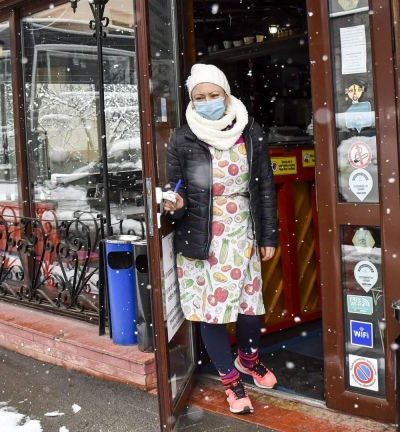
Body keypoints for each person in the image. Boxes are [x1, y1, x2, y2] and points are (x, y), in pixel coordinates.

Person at [163, 63, 278, 414]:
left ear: (226, 95)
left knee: (249, 307)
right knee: (211, 312)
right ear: (191, 100)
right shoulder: (183, 138)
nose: (207, 102)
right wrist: (175, 204)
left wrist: (268, 235)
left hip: (243, 230)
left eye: (214, 95)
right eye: (200, 97)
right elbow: (175, 191)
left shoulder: (249, 130)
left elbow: (264, 187)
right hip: (201, 237)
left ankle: (248, 359)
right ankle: (230, 380)